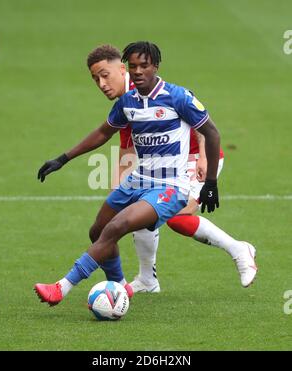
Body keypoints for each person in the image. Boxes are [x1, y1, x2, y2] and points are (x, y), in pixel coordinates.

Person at [38, 44, 257, 292]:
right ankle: (145, 281)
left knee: (176, 217)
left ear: (122, 70)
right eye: (95, 79)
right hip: (156, 169)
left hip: (197, 158)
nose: (101, 83)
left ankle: (239, 249)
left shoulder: (160, 90)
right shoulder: (128, 102)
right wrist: (116, 190)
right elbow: (121, 146)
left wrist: (205, 162)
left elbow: (200, 120)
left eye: (105, 75)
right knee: (133, 213)